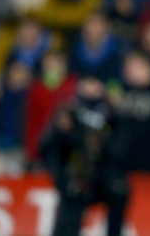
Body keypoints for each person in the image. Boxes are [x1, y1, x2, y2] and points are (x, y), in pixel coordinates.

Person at [40, 77, 128, 236]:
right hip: (76, 174)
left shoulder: (112, 114)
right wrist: (61, 173)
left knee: (119, 194)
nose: (92, 88)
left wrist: (104, 144)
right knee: (71, 205)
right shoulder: (69, 111)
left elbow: (122, 148)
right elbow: (48, 146)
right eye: (88, 83)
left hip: (103, 174)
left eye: (96, 83)